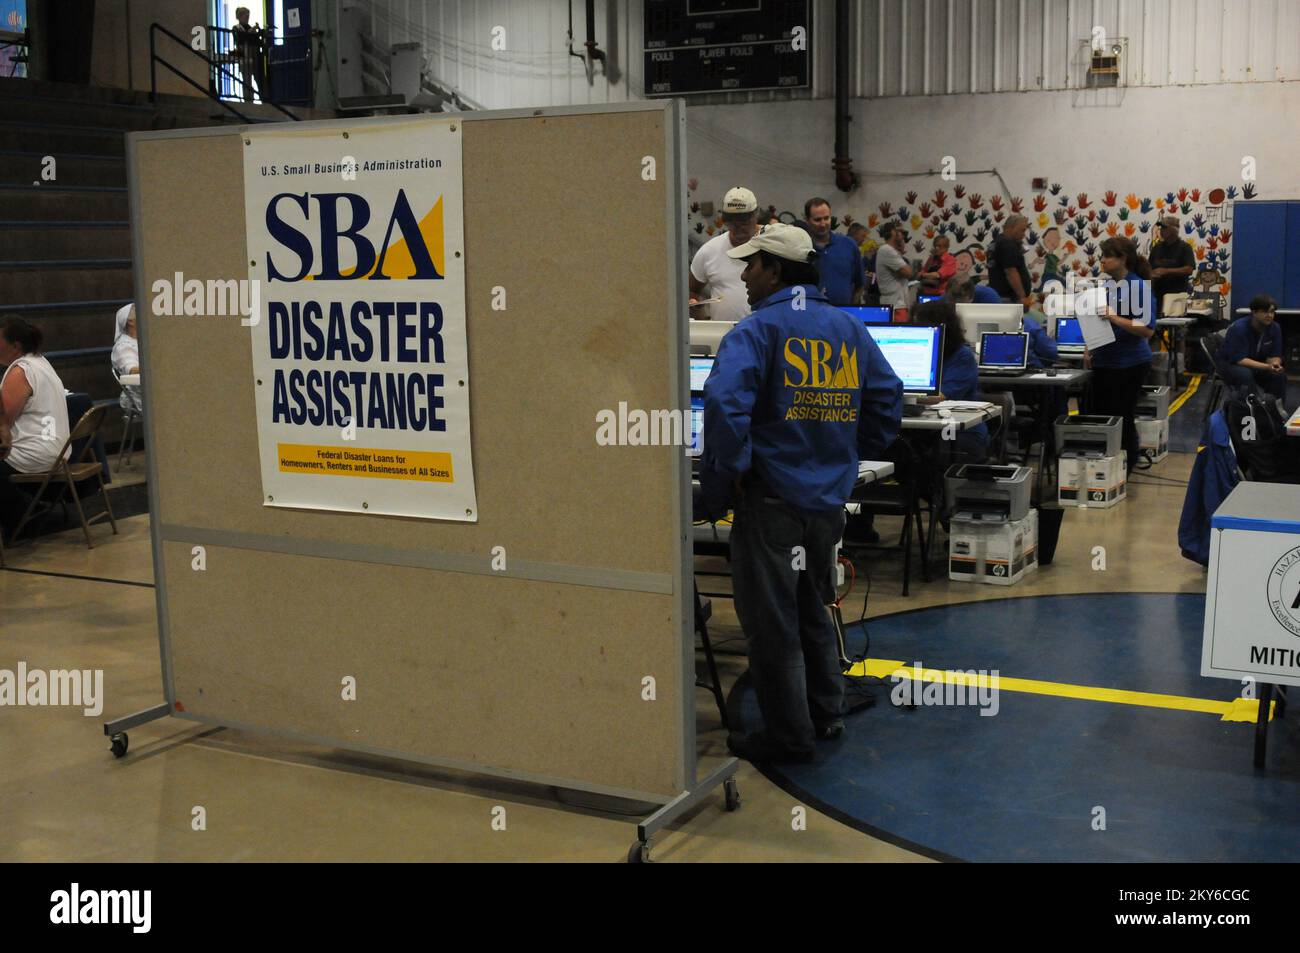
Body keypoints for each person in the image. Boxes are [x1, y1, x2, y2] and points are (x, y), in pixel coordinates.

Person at [699, 223, 903, 763]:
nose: (743, 274)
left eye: (751, 265)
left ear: (776, 270)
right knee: (814, 606)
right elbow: (887, 395)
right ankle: (825, 713)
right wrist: (850, 452)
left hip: (771, 498)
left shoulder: (755, 331)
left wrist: (731, 472)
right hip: (827, 499)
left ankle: (789, 736)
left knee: (772, 623)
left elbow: (723, 406)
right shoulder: (848, 328)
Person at [1085, 236, 1155, 474]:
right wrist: (1089, 347)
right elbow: (1096, 321)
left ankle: (1128, 463)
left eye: (1107, 256)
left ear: (1123, 258)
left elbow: (1146, 329)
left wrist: (1114, 317)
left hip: (1129, 363)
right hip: (1104, 360)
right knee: (1101, 414)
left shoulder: (1137, 287)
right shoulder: (1105, 287)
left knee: (1121, 415)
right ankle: (1107, 461)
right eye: (1101, 256)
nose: (1102, 260)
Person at [0, 316, 71, 538]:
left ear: (15, 346)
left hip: (34, 453)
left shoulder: (19, 372)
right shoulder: (41, 362)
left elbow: (3, 422)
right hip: (59, 451)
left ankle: (20, 516)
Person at [912, 301, 989, 462]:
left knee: (924, 458)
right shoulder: (919, 352)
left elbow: (940, 396)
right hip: (924, 427)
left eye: (919, 324)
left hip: (957, 432)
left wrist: (898, 393)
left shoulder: (962, 356)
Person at [689, 186, 759, 323]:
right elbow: (692, 291)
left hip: (765, 336)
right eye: (732, 222)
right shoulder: (709, 251)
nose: (737, 227)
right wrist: (698, 313)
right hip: (724, 337)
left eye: (743, 222)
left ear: (755, 216)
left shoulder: (771, 247)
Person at [1220, 294, 1288, 411]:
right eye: (1265, 312)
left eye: (1272, 312)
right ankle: (1252, 410)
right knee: (1245, 374)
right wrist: (1267, 366)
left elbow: (1274, 354)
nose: (1269, 315)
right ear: (1254, 312)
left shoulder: (1275, 328)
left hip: (1256, 364)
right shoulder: (1239, 328)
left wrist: (1275, 364)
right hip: (1231, 364)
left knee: (1279, 375)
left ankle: (1275, 411)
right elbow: (1240, 359)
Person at [804, 197, 863, 306]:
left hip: (843, 315)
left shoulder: (848, 245)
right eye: (817, 220)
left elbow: (860, 284)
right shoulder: (801, 248)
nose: (823, 224)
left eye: (826, 218)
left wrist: (851, 311)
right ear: (807, 221)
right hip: (811, 317)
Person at [1148, 216, 1195, 314]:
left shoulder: (1185, 247)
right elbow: (1149, 267)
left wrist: (1166, 271)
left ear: (1174, 230)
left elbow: (1189, 269)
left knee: (1174, 326)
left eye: (1164, 228)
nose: (1161, 230)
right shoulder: (1156, 247)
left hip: (1177, 296)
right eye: (1161, 228)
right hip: (1157, 295)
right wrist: (1151, 274)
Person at [988, 214, 1033, 308]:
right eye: (1022, 230)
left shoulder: (995, 242)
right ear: (1010, 228)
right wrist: (1022, 297)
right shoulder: (1007, 243)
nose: (1024, 234)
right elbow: (1010, 272)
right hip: (1009, 299)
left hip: (1000, 296)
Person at [874, 222, 913, 320]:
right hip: (896, 306)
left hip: (897, 304)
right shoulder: (887, 250)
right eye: (900, 232)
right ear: (893, 232)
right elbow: (908, 273)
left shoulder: (891, 251)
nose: (903, 235)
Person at [111, 303, 143, 417]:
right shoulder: (123, 346)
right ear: (130, 321)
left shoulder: (145, 341)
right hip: (138, 397)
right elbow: (133, 370)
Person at [231, 6, 265, 104]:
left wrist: (260, 34)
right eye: (246, 16)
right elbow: (240, 39)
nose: (247, 18)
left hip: (254, 57)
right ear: (240, 17)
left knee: (259, 79)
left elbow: (258, 42)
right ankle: (248, 101)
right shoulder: (236, 28)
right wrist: (251, 33)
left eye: (248, 16)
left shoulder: (250, 27)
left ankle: (263, 100)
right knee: (247, 81)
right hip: (244, 57)